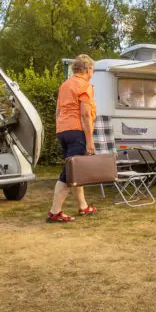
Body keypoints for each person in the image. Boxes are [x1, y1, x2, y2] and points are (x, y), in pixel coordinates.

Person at [47, 55, 97, 223]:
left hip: (63, 131)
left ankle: (83, 206)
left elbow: (58, 111)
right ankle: (55, 212)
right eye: (92, 71)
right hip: (77, 131)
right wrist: (90, 141)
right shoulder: (85, 85)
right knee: (69, 173)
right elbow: (85, 114)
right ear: (87, 69)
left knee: (76, 171)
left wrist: (59, 130)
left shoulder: (65, 85)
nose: (92, 74)